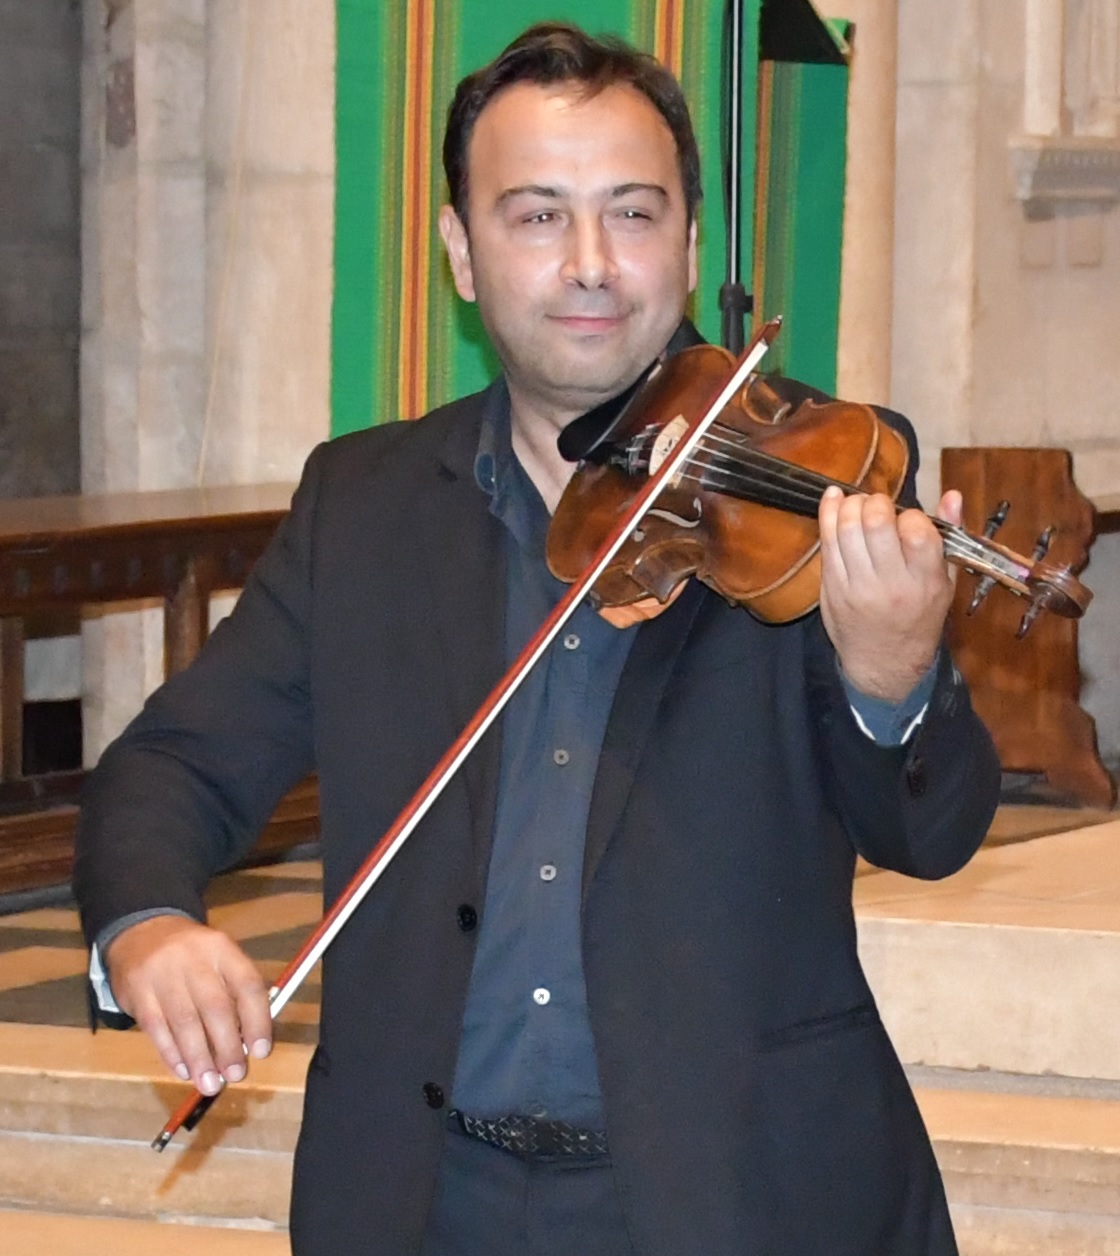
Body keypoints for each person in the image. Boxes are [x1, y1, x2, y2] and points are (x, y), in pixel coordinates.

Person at [74, 22, 1000, 1256]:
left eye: (632, 213)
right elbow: (175, 763)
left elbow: (930, 833)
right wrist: (148, 924)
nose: (590, 263)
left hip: (743, 1196)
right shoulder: (364, 505)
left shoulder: (811, 493)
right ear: (460, 252)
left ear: (688, 240)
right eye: (535, 216)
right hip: (424, 1200)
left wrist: (892, 677)